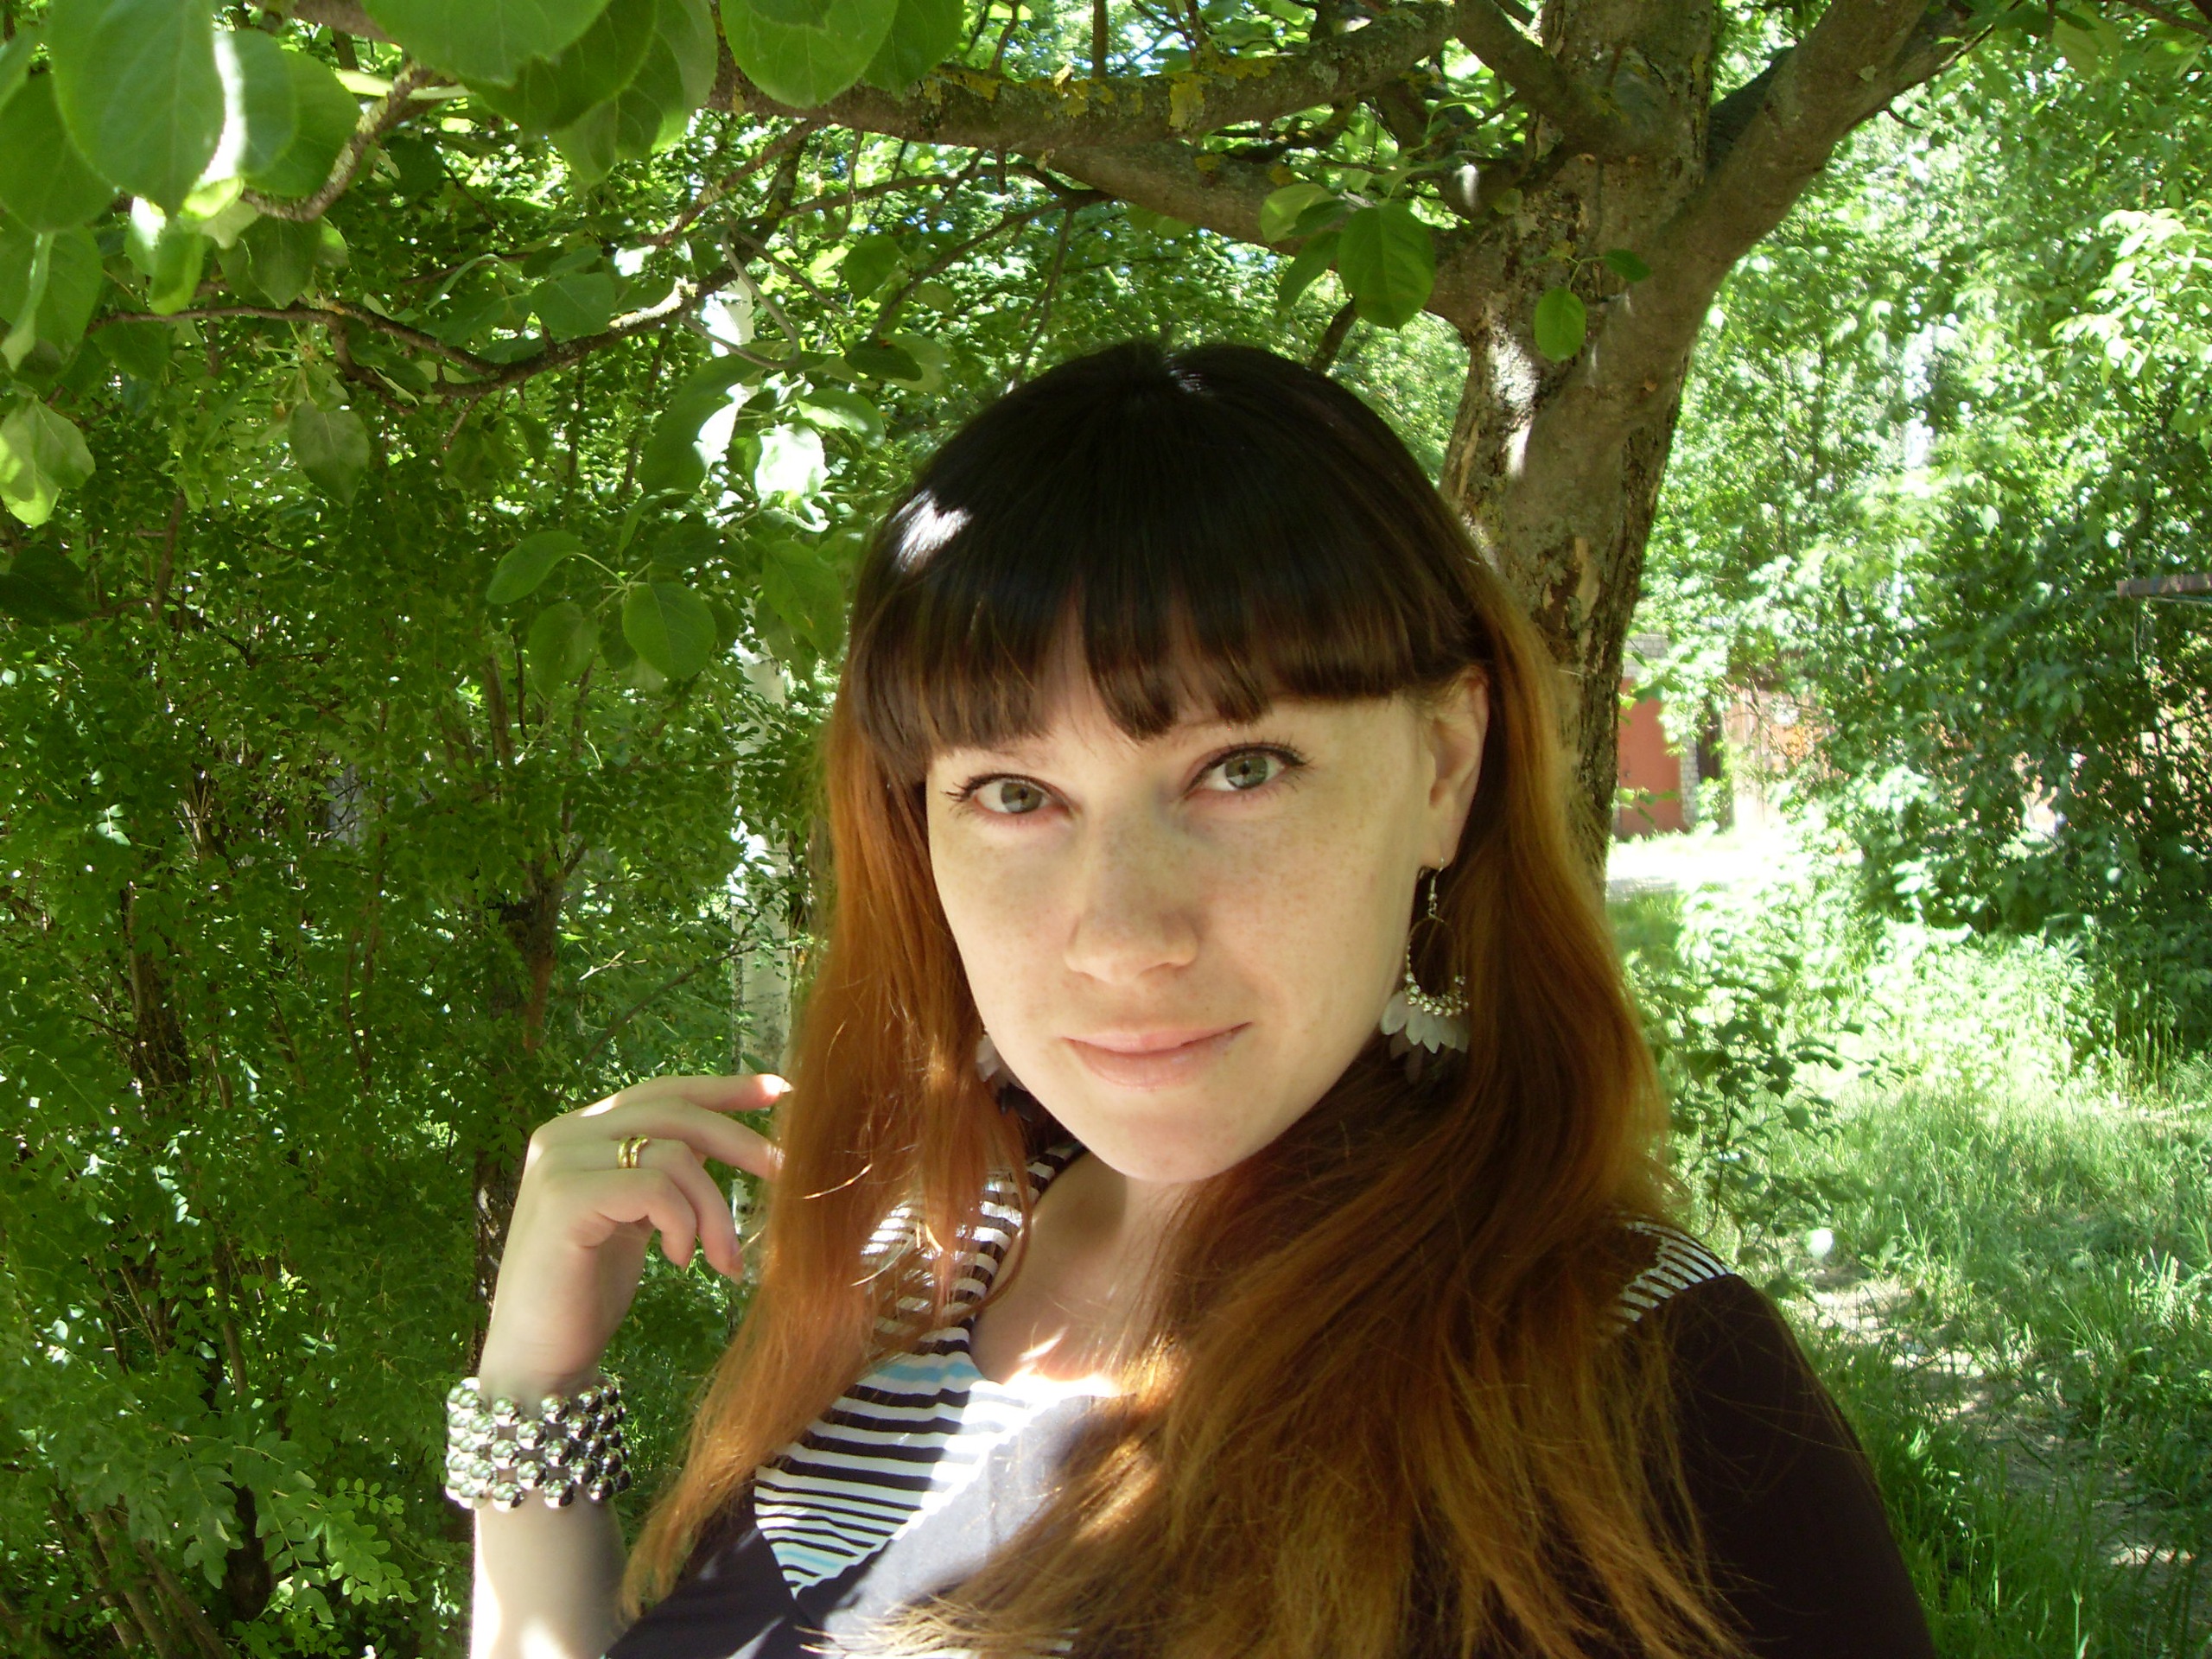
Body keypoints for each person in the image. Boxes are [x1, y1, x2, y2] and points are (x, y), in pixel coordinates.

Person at [459, 342, 1936, 1659]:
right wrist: (536, 1382)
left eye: (1240, 769)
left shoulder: (1631, 1392)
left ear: (1443, 764)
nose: (1121, 937)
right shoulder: (932, 1254)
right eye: (1016, 792)